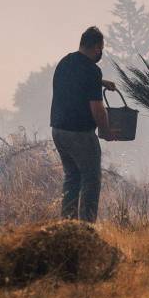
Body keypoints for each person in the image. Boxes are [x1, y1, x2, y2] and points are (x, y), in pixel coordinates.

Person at [49, 26, 117, 222]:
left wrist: (101, 82)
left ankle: (67, 224)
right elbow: (97, 108)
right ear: (97, 47)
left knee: (72, 178)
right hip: (80, 133)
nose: (101, 52)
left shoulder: (65, 62)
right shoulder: (92, 70)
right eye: (101, 48)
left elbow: (76, 83)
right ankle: (87, 228)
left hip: (58, 130)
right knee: (91, 180)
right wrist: (105, 131)